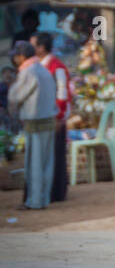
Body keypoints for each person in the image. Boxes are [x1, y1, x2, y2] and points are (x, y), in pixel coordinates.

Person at [7, 40, 57, 211]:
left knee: (34, 163)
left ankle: (34, 201)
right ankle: (43, 199)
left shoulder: (28, 72)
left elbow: (15, 97)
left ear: (21, 56)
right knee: (46, 163)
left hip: (35, 122)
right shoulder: (43, 70)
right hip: (49, 120)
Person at [32, 31, 72, 202]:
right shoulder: (40, 65)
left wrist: (58, 116)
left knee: (55, 155)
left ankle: (57, 192)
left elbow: (62, 94)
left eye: (32, 45)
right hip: (46, 116)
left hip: (55, 118)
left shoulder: (56, 66)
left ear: (41, 48)